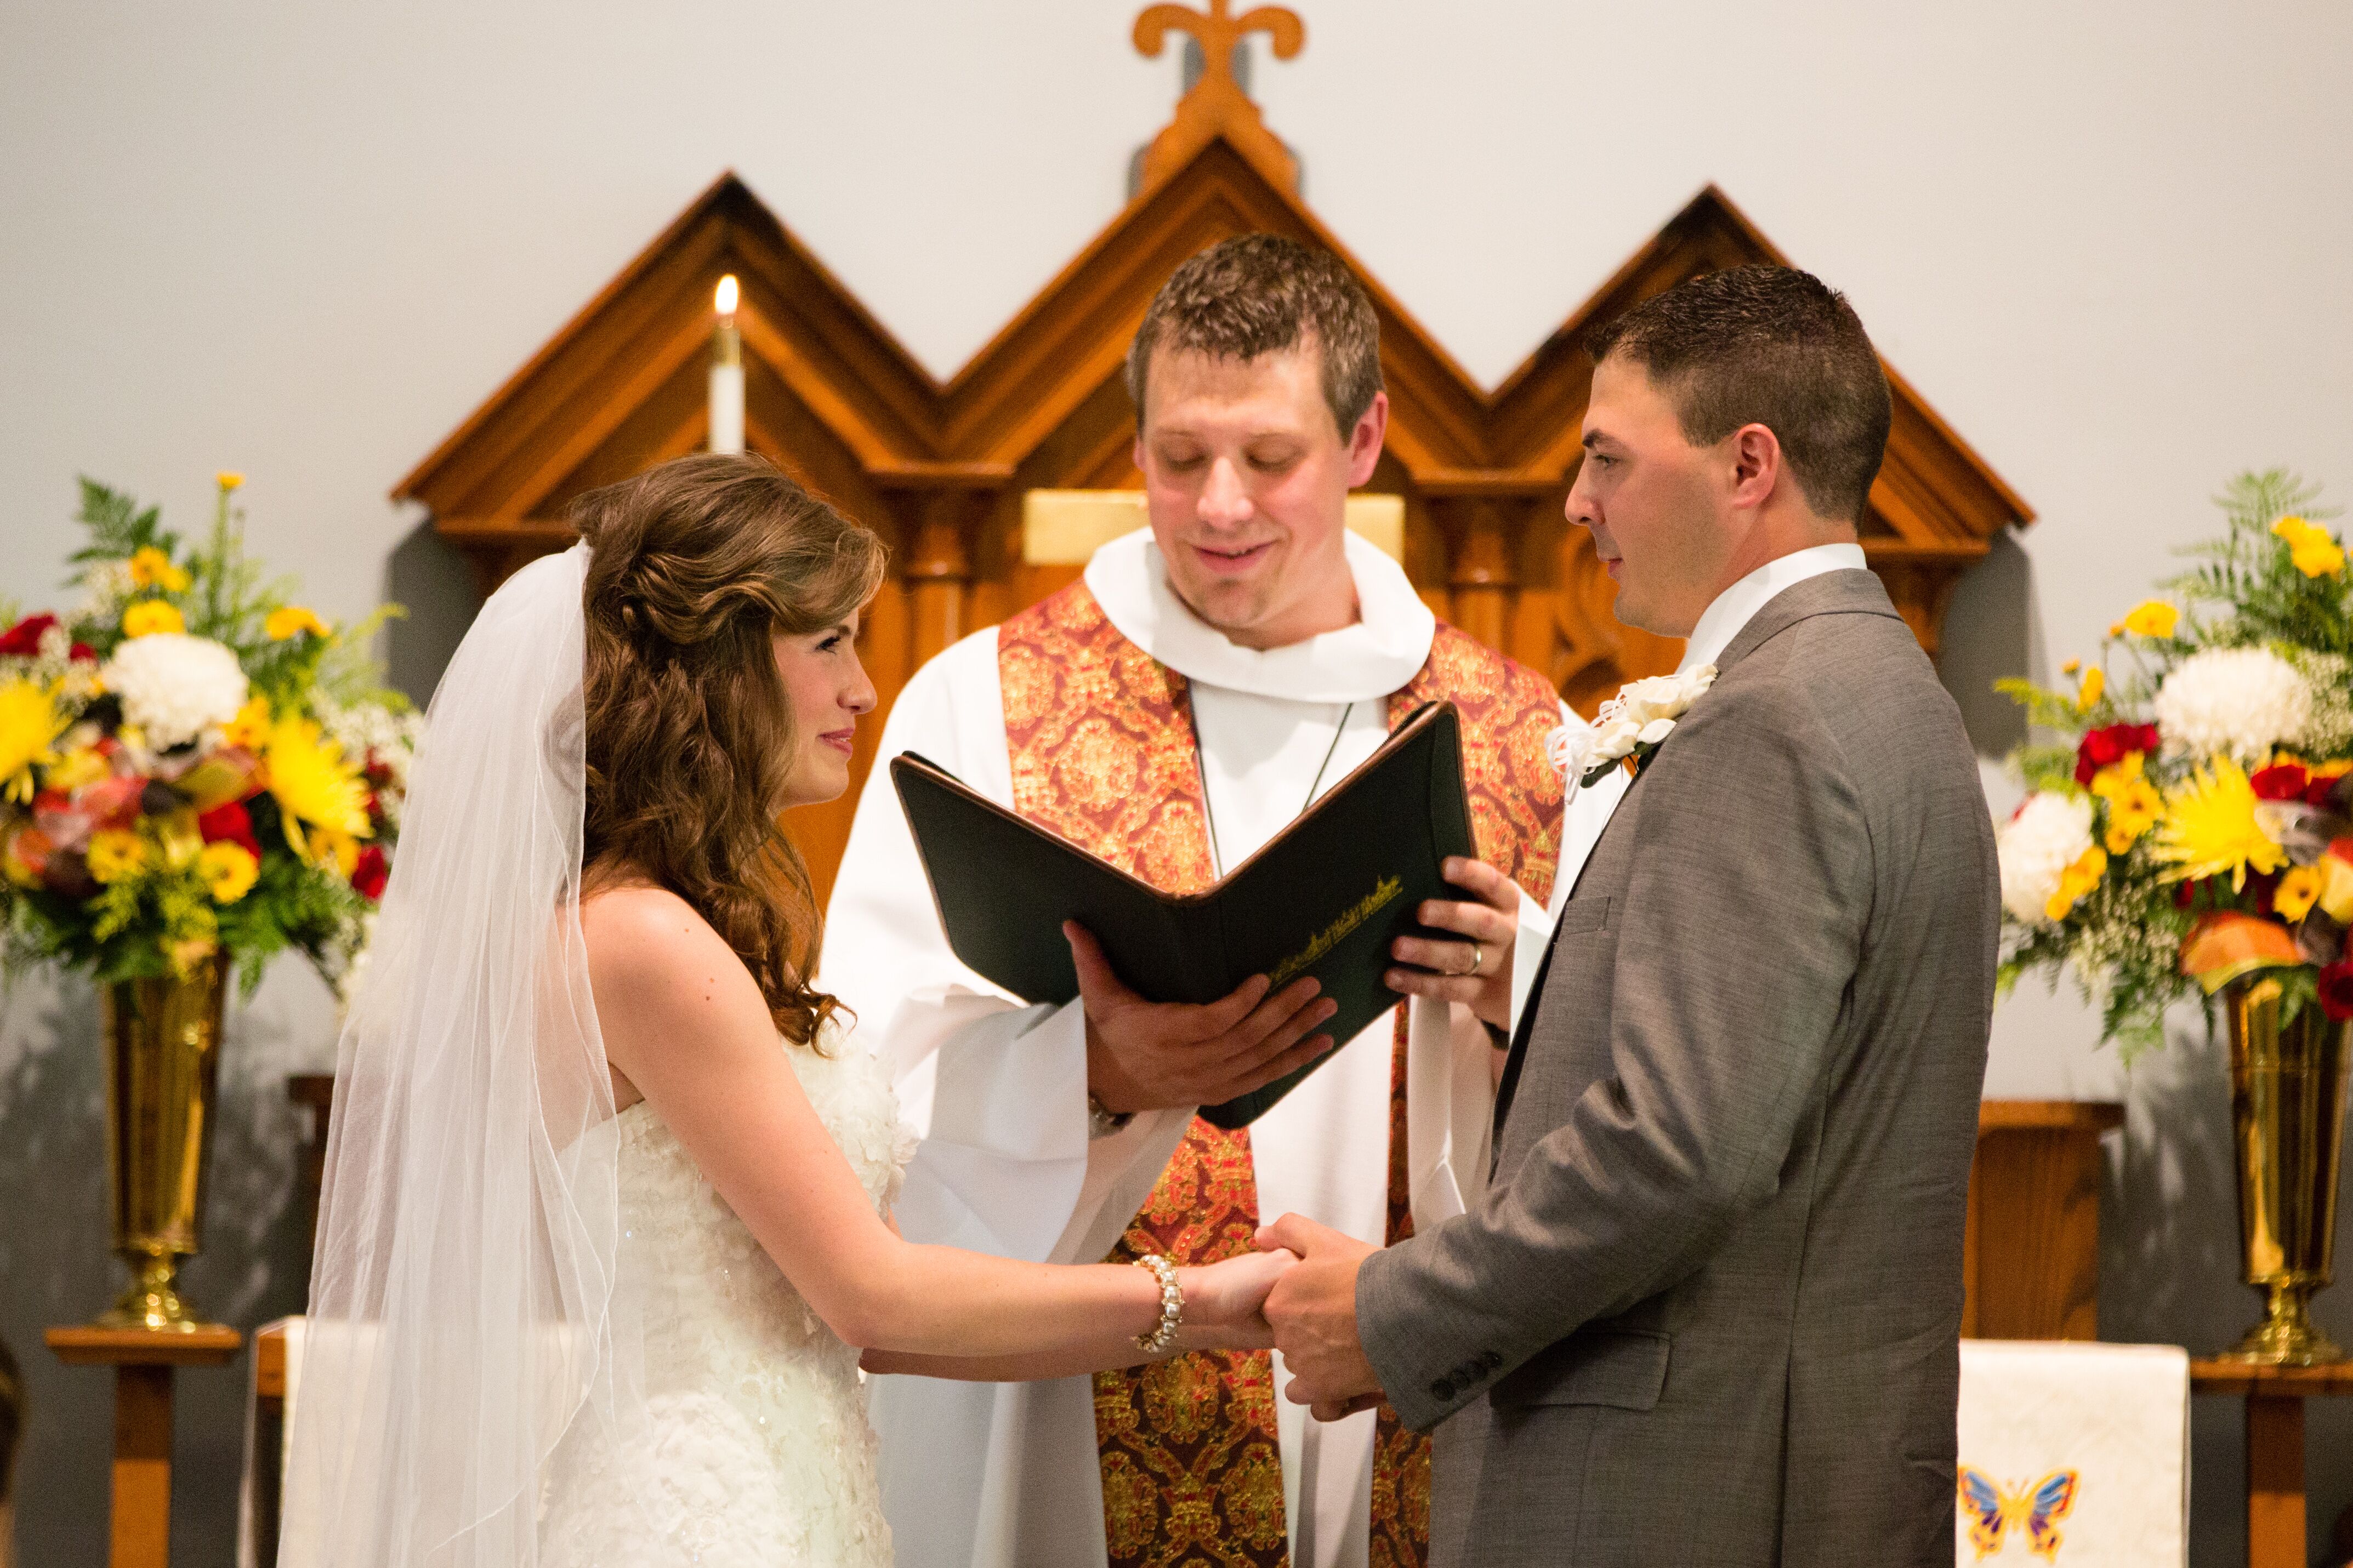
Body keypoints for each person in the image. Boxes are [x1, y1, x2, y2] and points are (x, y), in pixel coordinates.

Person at [278, 455, 1296, 1568]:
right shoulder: (646, 943)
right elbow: (877, 1300)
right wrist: (1195, 1302)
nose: (863, 688)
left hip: (786, 1495)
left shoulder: (666, 926)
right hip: (702, 1519)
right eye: (828, 645)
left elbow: (874, 1319)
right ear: (719, 664)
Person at [824, 235, 1625, 1568]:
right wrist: (1087, 1068)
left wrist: (1509, 988)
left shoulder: (1510, 732)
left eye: (1267, 459)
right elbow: (856, 1071)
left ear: (1363, 440)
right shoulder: (980, 703)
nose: (1217, 505)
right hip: (1073, 1402)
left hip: (1402, 1383)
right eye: (1178, 456)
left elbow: (1624, 1100)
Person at [1258, 264, 2000, 1566]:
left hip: (1679, 1492)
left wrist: (1389, 1313)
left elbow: (1670, 1153)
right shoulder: (1895, 698)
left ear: (1746, 465)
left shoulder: (1768, 719)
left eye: (1607, 457)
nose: (1576, 501)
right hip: (1798, 1468)